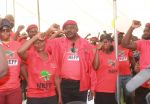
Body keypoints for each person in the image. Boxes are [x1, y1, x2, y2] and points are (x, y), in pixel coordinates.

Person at [46, 20, 96, 104]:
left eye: (72, 28)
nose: (69, 30)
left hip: (82, 84)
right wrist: (53, 32)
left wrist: (93, 87)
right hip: (64, 84)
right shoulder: (58, 42)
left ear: (77, 29)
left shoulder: (85, 44)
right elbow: (45, 44)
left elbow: (92, 67)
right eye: (66, 28)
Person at [18, 33, 62, 104]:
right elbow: (19, 51)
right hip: (34, 96)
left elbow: (56, 78)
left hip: (51, 96)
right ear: (33, 44)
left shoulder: (53, 58)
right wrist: (34, 37)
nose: (39, 45)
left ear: (45, 42)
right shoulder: (30, 55)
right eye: (36, 43)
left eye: (41, 42)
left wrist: (59, 95)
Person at [122, 20, 150, 104]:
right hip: (142, 84)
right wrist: (132, 28)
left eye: (147, 31)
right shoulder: (143, 43)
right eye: (144, 30)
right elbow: (125, 44)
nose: (144, 32)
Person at [0, 19, 22, 104]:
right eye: (2, 30)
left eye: (7, 30)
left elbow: (22, 65)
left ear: (10, 31)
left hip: (14, 88)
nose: (5, 32)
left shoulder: (17, 45)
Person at [93, 34, 118, 104]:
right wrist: (97, 50)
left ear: (111, 42)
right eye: (103, 41)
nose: (105, 43)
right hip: (101, 90)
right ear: (100, 43)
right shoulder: (98, 54)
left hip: (112, 90)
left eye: (107, 41)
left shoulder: (115, 54)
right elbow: (95, 67)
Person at [117, 32, 134, 104]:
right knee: (117, 96)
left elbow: (131, 59)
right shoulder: (113, 47)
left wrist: (134, 69)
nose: (120, 38)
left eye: (122, 37)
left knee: (129, 95)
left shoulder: (127, 47)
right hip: (116, 76)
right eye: (119, 37)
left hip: (127, 75)